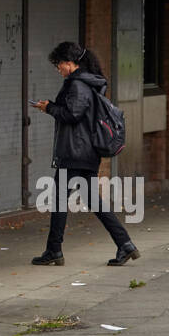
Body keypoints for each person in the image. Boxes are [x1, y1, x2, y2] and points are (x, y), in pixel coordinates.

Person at [29, 41, 139, 267]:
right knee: (92, 201)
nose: (58, 69)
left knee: (59, 201)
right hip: (84, 152)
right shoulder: (86, 82)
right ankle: (125, 244)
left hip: (74, 152)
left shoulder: (77, 84)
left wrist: (48, 107)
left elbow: (73, 114)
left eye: (58, 64)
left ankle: (54, 251)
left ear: (70, 64)